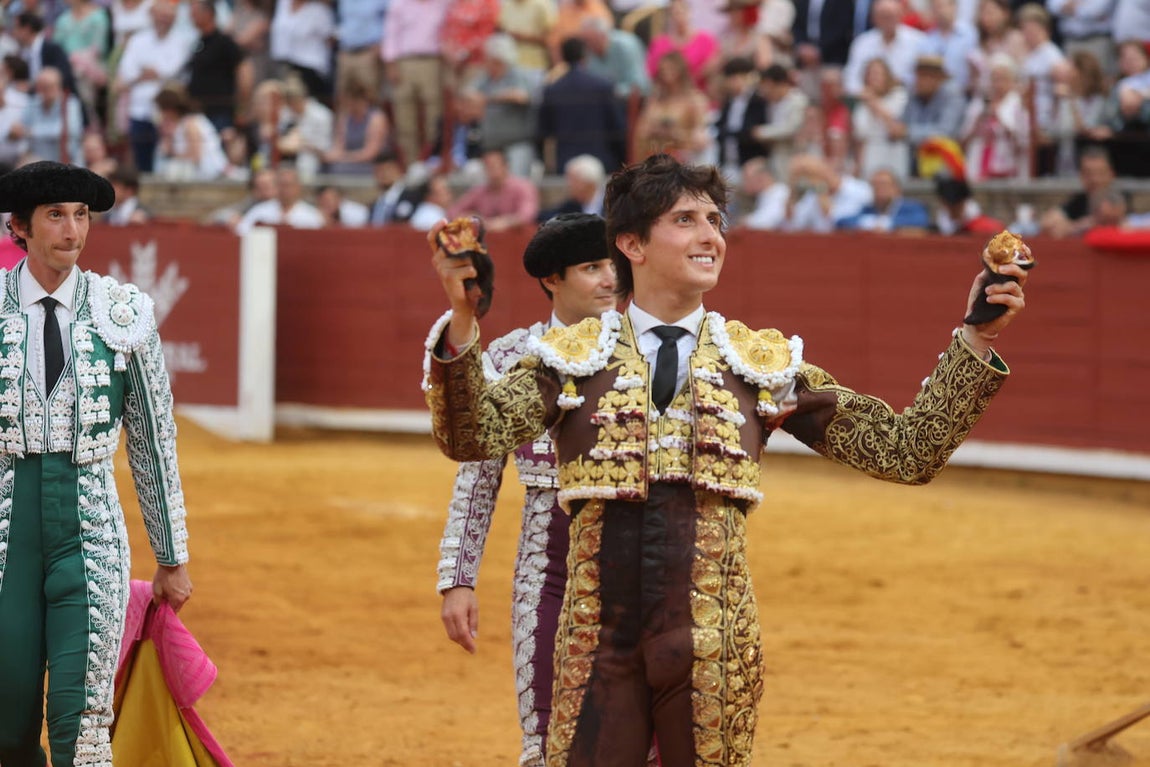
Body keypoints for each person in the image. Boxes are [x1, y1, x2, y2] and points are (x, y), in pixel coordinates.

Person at [423, 151, 1029, 766]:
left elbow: (906, 451)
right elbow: (472, 437)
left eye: (715, 220)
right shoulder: (569, 360)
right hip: (595, 648)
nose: (710, 235)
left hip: (714, 651)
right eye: (685, 220)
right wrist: (464, 319)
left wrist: (977, 338)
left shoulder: (761, 366)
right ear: (631, 244)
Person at [0, 160, 192, 767]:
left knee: (81, 725)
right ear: (19, 227)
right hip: (5, 536)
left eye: (81, 215)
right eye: (56, 215)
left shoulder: (123, 312)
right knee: (6, 722)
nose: (72, 230)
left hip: (90, 535)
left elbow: (153, 441)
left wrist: (171, 557)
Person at [436, 212, 617, 767]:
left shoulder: (645, 351)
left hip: (635, 559)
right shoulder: (512, 356)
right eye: (592, 267)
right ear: (552, 279)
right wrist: (458, 579)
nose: (610, 278)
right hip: (548, 561)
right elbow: (477, 475)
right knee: (545, 733)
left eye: (613, 264)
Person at [536, 35, 626, 175]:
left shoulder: (553, 90)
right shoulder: (603, 86)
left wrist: (545, 162)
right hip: (602, 162)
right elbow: (617, 128)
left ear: (563, 57)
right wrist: (621, 160)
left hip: (566, 164)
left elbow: (543, 132)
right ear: (585, 55)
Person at [447, 147, 539, 231]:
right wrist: (470, 218)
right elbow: (453, 211)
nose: (490, 170)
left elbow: (527, 215)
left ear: (505, 166)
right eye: (487, 166)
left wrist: (505, 222)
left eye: (494, 165)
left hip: (516, 237)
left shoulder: (524, 187)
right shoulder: (479, 190)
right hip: (487, 239)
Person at [235, 163, 324, 233]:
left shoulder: (311, 215)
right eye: (281, 185)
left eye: (288, 185)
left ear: (298, 187)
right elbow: (242, 232)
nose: (285, 190)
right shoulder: (259, 211)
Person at [836, 166, 930, 231]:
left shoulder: (911, 207)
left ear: (896, 189)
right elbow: (842, 222)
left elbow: (921, 220)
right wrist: (871, 223)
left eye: (884, 185)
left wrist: (886, 224)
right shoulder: (868, 209)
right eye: (875, 186)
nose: (879, 189)